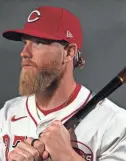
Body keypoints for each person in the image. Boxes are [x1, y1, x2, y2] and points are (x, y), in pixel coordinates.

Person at [0, 5, 126, 161]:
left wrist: (67, 156)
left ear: (69, 52)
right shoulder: (7, 114)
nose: (24, 53)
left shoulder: (113, 122)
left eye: (38, 42)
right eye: (24, 43)